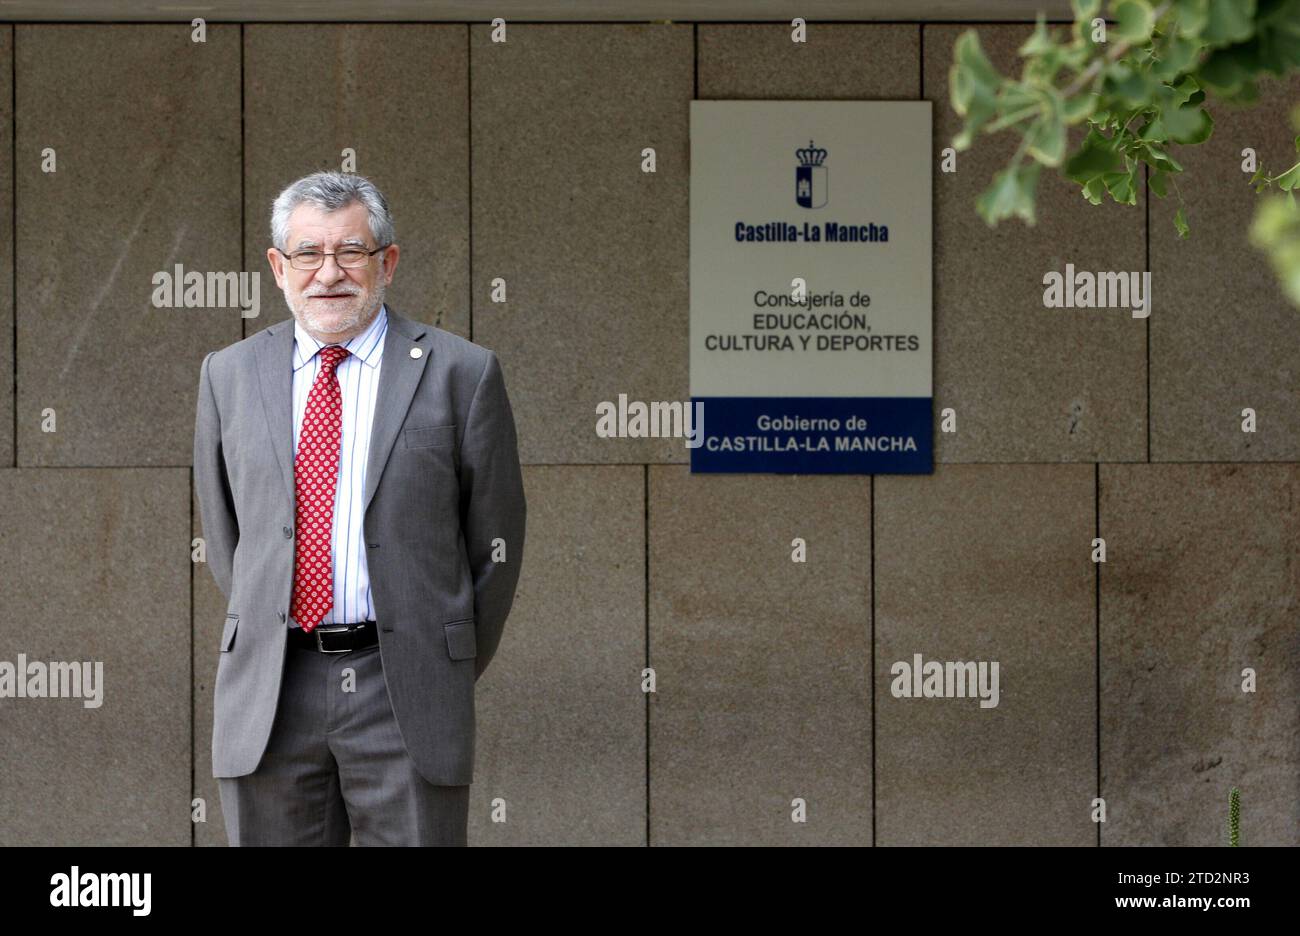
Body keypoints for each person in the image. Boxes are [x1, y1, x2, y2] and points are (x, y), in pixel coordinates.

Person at [193, 171, 526, 845]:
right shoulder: (227, 375)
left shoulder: (462, 374)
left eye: (351, 251)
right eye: (308, 254)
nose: (329, 273)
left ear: (387, 263)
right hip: (272, 688)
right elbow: (229, 539)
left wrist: (440, 655)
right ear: (278, 268)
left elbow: (495, 544)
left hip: (403, 688)